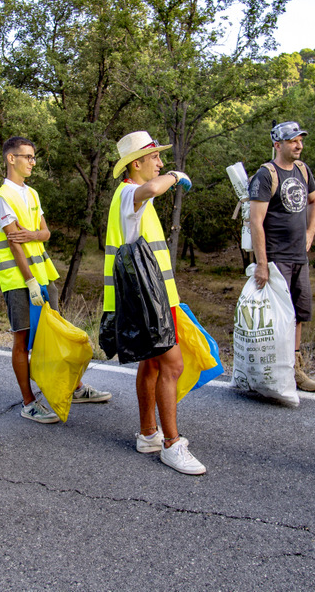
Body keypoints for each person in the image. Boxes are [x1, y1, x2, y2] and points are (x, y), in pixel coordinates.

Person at [0, 136, 111, 424]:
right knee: (22, 340)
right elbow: (14, 244)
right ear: (10, 158)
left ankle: (74, 388)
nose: (32, 162)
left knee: (52, 334)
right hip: (20, 280)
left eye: (33, 157)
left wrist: (32, 234)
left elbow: (45, 233)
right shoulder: (3, 197)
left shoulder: (32, 194)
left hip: (44, 276)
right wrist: (29, 280)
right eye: (27, 156)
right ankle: (28, 403)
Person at [103, 131, 204, 475]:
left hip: (154, 298)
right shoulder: (131, 192)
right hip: (149, 302)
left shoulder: (130, 196)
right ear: (137, 163)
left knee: (152, 365)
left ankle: (149, 433)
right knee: (172, 365)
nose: (161, 164)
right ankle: (172, 445)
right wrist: (175, 176)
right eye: (155, 158)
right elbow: (151, 188)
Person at [248, 121, 315, 392]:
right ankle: (271, 371)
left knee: (298, 314)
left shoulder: (303, 170)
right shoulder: (266, 175)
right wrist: (262, 264)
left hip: (298, 256)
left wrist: (311, 231)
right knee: (275, 317)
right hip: (275, 257)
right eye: (293, 141)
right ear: (277, 145)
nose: (299, 145)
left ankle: (295, 369)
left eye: (301, 140)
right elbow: (255, 221)